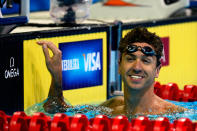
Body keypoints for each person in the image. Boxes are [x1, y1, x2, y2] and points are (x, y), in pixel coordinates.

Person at [36, 27, 186, 116]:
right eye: (130, 59)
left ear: (157, 70)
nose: (137, 67)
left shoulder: (174, 115)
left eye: (146, 61)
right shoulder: (112, 107)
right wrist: (57, 78)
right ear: (119, 65)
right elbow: (56, 111)